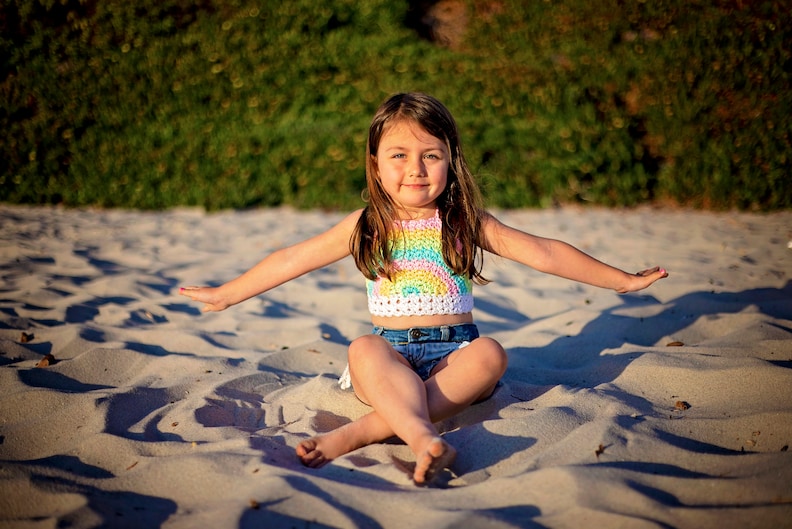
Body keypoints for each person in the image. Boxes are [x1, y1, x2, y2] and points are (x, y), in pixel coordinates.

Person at [180, 92, 668, 485]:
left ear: (451, 161)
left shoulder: (465, 221)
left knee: (492, 353)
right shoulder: (366, 225)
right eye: (399, 155)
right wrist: (228, 294)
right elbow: (291, 258)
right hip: (390, 359)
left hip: (455, 358)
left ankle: (361, 434)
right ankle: (420, 436)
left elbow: (544, 251)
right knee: (363, 348)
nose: (415, 169)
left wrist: (621, 279)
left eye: (430, 155)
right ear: (375, 164)